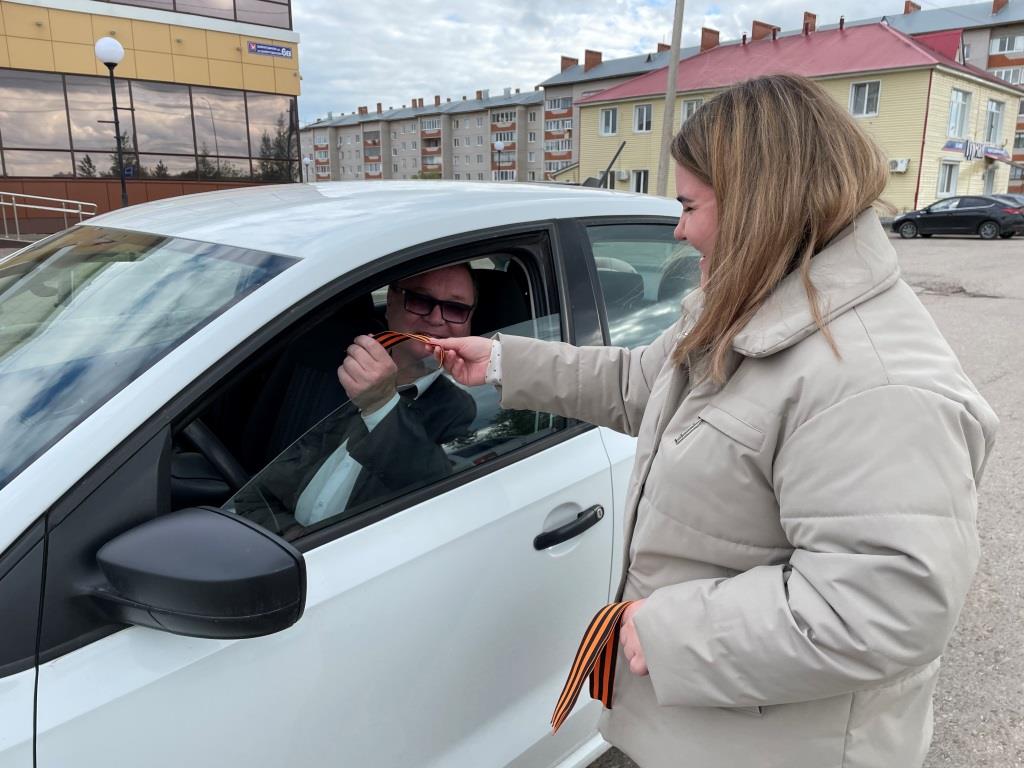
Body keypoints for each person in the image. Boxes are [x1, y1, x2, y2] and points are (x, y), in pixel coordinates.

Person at [430, 74, 998, 768]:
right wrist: (500, 363)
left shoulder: (875, 382)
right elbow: (641, 385)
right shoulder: (745, 305)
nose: (678, 228)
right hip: (701, 730)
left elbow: (887, 607)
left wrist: (672, 632)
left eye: (689, 204)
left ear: (759, 203)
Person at [233, 264, 477, 530]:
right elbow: (259, 492)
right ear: (391, 302)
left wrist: (381, 405)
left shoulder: (465, 408)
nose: (436, 318)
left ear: (469, 322)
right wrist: (290, 543)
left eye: (456, 309)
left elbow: (443, 497)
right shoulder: (334, 365)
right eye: (420, 300)